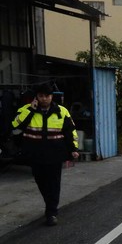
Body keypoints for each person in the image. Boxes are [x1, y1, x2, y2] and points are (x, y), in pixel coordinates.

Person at [12, 83, 79, 226]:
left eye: (47, 96)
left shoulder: (62, 111)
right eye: (41, 96)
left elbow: (70, 131)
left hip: (55, 154)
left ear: (51, 96)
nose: (44, 99)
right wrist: (30, 110)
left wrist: (74, 148)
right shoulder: (26, 110)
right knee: (41, 182)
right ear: (36, 97)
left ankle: (51, 213)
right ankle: (50, 204)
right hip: (35, 154)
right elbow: (15, 126)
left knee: (54, 184)